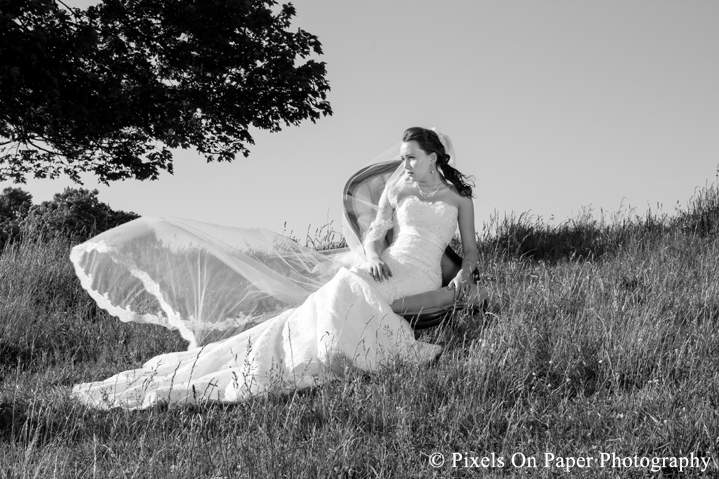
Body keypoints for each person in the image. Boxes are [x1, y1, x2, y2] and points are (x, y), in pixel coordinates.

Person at [71, 127, 483, 409]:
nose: (404, 165)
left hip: (422, 272)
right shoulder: (400, 189)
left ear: (432, 158)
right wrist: (373, 255)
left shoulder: (460, 201)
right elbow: (376, 233)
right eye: (402, 158)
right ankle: (314, 354)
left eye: (411, 158)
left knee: (349, 290)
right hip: (387, 264)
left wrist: (465, 272)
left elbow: (471, 251)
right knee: (348, 281)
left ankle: (332, 354)